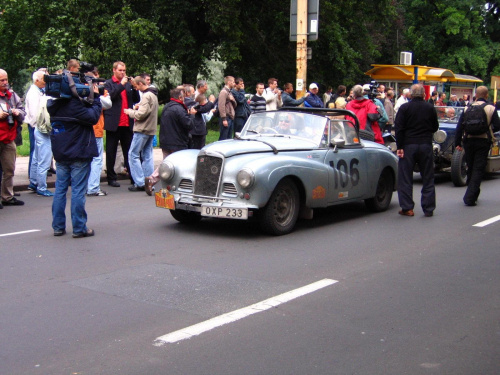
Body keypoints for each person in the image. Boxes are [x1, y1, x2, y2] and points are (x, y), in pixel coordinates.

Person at [48, 81, 102, 237]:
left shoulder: (53, 105)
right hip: (78, 152)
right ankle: (79, 228)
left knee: (60, 190)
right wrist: (96, 98)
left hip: (61, 152)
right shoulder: (75, 106)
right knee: (78, 191)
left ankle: (58, 226)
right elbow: (93, 117)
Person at [395, 84, 439, 217]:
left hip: (408, 145)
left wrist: (400, 146)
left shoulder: (405, 108)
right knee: (428, 176)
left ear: (411, 95)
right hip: (425, 144)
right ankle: (428, 208)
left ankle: (407, 207)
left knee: (405, 177)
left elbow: (399, 128)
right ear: (424, 95)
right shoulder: (430, 108)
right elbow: (435, 126)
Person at [454, 86, 500, 206]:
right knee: (478, 168)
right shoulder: (491, 108)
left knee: (471, 166)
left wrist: (458, 143)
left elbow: (460, 127)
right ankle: (470, 196)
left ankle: (473, 192)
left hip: (468, 141)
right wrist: (488, 129)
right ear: (486, 95)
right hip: (483, 141)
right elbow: (497, 126)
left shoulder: (467, 108)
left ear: (475, 95)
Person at [144, 88, 195, 195]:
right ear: (180, 97)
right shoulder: (179, 109)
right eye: (184, 97)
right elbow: (188, 125)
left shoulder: (167, 107)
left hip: (166, 140)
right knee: (176, 165)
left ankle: (152, 180)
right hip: (176, 142)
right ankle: (173, 186)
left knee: (166, 163)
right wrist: (191, 114)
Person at [103, 61, 140, 188]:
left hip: (127, 122)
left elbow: (135, 99)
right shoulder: (108, 83)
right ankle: (111, 177)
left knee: (129, 151)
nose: (123, 73)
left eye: (124, 70)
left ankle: (133, 176)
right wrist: (121, 85)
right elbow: (110, 97)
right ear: (114, 70)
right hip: (114, 122)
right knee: (111, 152)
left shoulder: (128, 84)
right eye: (120, 70)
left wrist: (135, 87)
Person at [125, 76, 159, 192]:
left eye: (136, 86)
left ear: (140, 84)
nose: (136, 88)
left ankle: (140, 182)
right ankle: (149, 181)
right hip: (151, 129)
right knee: (147, 156)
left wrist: (130, 112)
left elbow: (141, 115)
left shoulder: (146, 95)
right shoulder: (153, 95)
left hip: (142, 129)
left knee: (133, 154)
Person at [0, 69, 26, 208]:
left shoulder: (12, 95)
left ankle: (7, 196)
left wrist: (17, 112)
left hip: (9, 137)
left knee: (9, 168)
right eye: (2, 80)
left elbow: (23, 110)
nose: (5, 83)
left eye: (6, 79)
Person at [87, 68, 111, 197]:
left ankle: (86, 186)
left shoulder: (79, 91)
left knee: (86, 159)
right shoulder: (96, 93)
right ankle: (93, 187)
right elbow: (108, 104)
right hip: (96, 128)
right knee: (96, 159)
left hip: (84, 130)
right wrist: (98, 95)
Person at [25, 70, 49, 193]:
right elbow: (35, 113)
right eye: (44, 79)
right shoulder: (34, 93)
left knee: (36, 155)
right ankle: (41, 186)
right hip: (38, 127)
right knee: (42, 157)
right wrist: (40, 127)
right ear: (37, 80)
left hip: (37, 127)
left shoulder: (38, 91)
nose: (46, 81)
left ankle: (34, 181)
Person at [217, 76, 236, 140]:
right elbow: (221, 105)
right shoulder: (224, 92)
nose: (234, 84)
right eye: (233, 82)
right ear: (229, 82)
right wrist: (224, 119)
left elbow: (234, 104)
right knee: (223, 138)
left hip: (230, 117)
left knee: (229, 139)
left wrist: (232, 99)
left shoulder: (229, 92)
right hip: (226, 118)